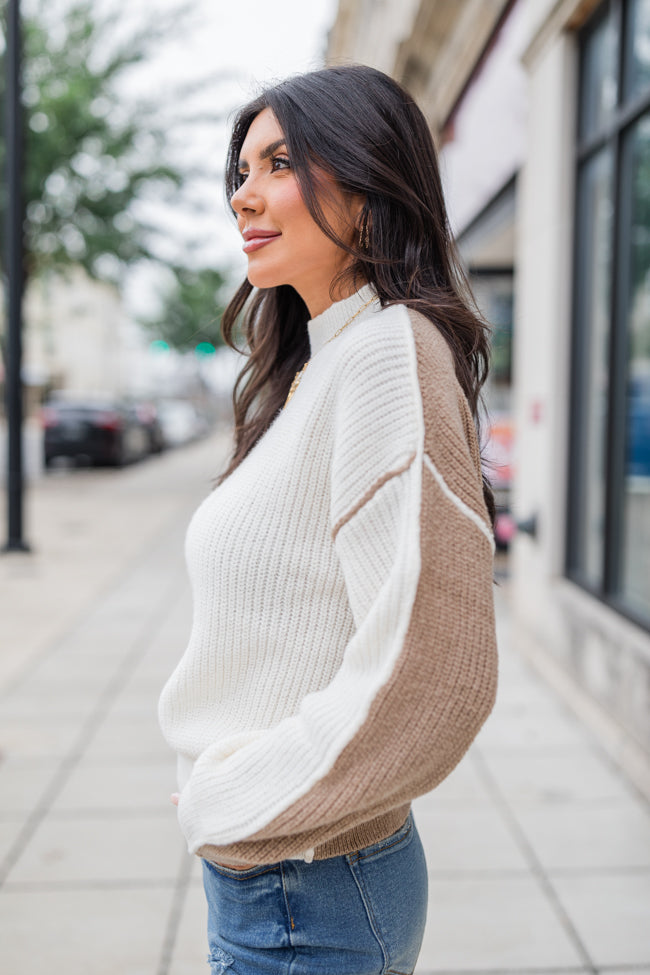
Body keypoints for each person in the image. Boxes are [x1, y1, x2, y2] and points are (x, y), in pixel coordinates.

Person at [158, 64, 498, 975]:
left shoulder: (389, 350)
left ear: (366, 176)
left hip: (303, 884)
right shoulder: (319, 364)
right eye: (239, 172)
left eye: (278, 162)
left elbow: (435, 671)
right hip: (286, 876)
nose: (244, 197)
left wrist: (243, 801)